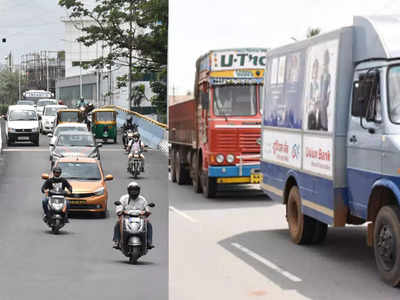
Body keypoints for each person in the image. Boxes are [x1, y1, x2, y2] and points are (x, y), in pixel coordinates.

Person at [112, 182, 154, 249]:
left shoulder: (142, 199)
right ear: (129, 191)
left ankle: (149, 242)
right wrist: (120, 212)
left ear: (139, 191)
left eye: (135, 190)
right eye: (132, 190)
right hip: (127, 218)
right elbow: (119, 209)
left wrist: (146, 213)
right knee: (118, 222)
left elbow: (147, 210)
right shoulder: (123, 198)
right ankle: (116, 241)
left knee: (148, 224)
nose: (134, 192)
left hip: (140, 218)